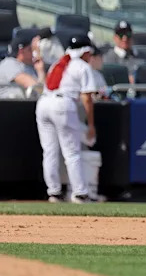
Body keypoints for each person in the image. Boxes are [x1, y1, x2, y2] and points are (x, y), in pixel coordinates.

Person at [35, 35, 98, 204]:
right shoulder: (82, 67)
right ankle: (80, 193)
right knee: (72, 152)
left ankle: (54, 192)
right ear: (85, 52)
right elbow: (87, 98)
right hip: (62, 104)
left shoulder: (58, 62)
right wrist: (90, 124)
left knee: (49, 151)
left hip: (44, 103)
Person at [0, 33, 45, 99]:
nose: (34, 52)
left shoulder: (31, 67)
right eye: (31, 49)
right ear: (21, 51)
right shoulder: (9, 63)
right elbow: (33, 85)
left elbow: (42, 88)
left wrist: (40, 71)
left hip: (26, 104)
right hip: (9, 106)